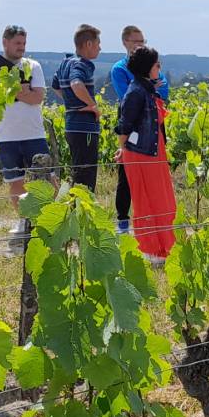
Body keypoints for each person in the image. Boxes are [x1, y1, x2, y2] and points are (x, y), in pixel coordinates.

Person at [0, 24, 48, 236]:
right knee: (15, 182)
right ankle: (24, 222)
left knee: (48, 180)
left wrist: (11, 90)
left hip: (34, 133)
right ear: (5, 42)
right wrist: (23, 91)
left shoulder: (33, 66)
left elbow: (37, 97)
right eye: (18, 43)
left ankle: (46, 221)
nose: (22, 48)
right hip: (6, 135)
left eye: (24, 43)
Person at [107, 26, 170, 235]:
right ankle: (124, 223)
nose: (140, 44)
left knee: (154, 186)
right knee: (128, 180)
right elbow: (129, 100)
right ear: (125, 42)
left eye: (143, 40)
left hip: (152, 132)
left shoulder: (146, 77)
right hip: (135, 131)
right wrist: (124, 147)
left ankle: (155, 231)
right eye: (136, 41)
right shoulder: (120, 71)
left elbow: (164, 90)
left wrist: (154, 88)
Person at [115, 46, 177, 258]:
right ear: (148, 67)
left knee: (161, 197)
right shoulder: (135, 92)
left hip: (152, 151)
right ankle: (151, 248)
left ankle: (162, 246)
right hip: (141, 154)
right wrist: (123, 150)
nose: (159, 67)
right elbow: (124, 125)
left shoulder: (146, 89)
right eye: (157, 64)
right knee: (147, 198)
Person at [52, 24, 103, 192]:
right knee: (85, 179)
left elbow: (55, 86)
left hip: (71, 126)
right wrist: (92, 105)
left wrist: (71, 102)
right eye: (98, 44)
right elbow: (76, 83)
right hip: (85, 128)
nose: (100, 48)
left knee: (77, 172)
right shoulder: (82, 64)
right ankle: (81, 215)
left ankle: (76, 213)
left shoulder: (65, 62)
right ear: (88, 44)